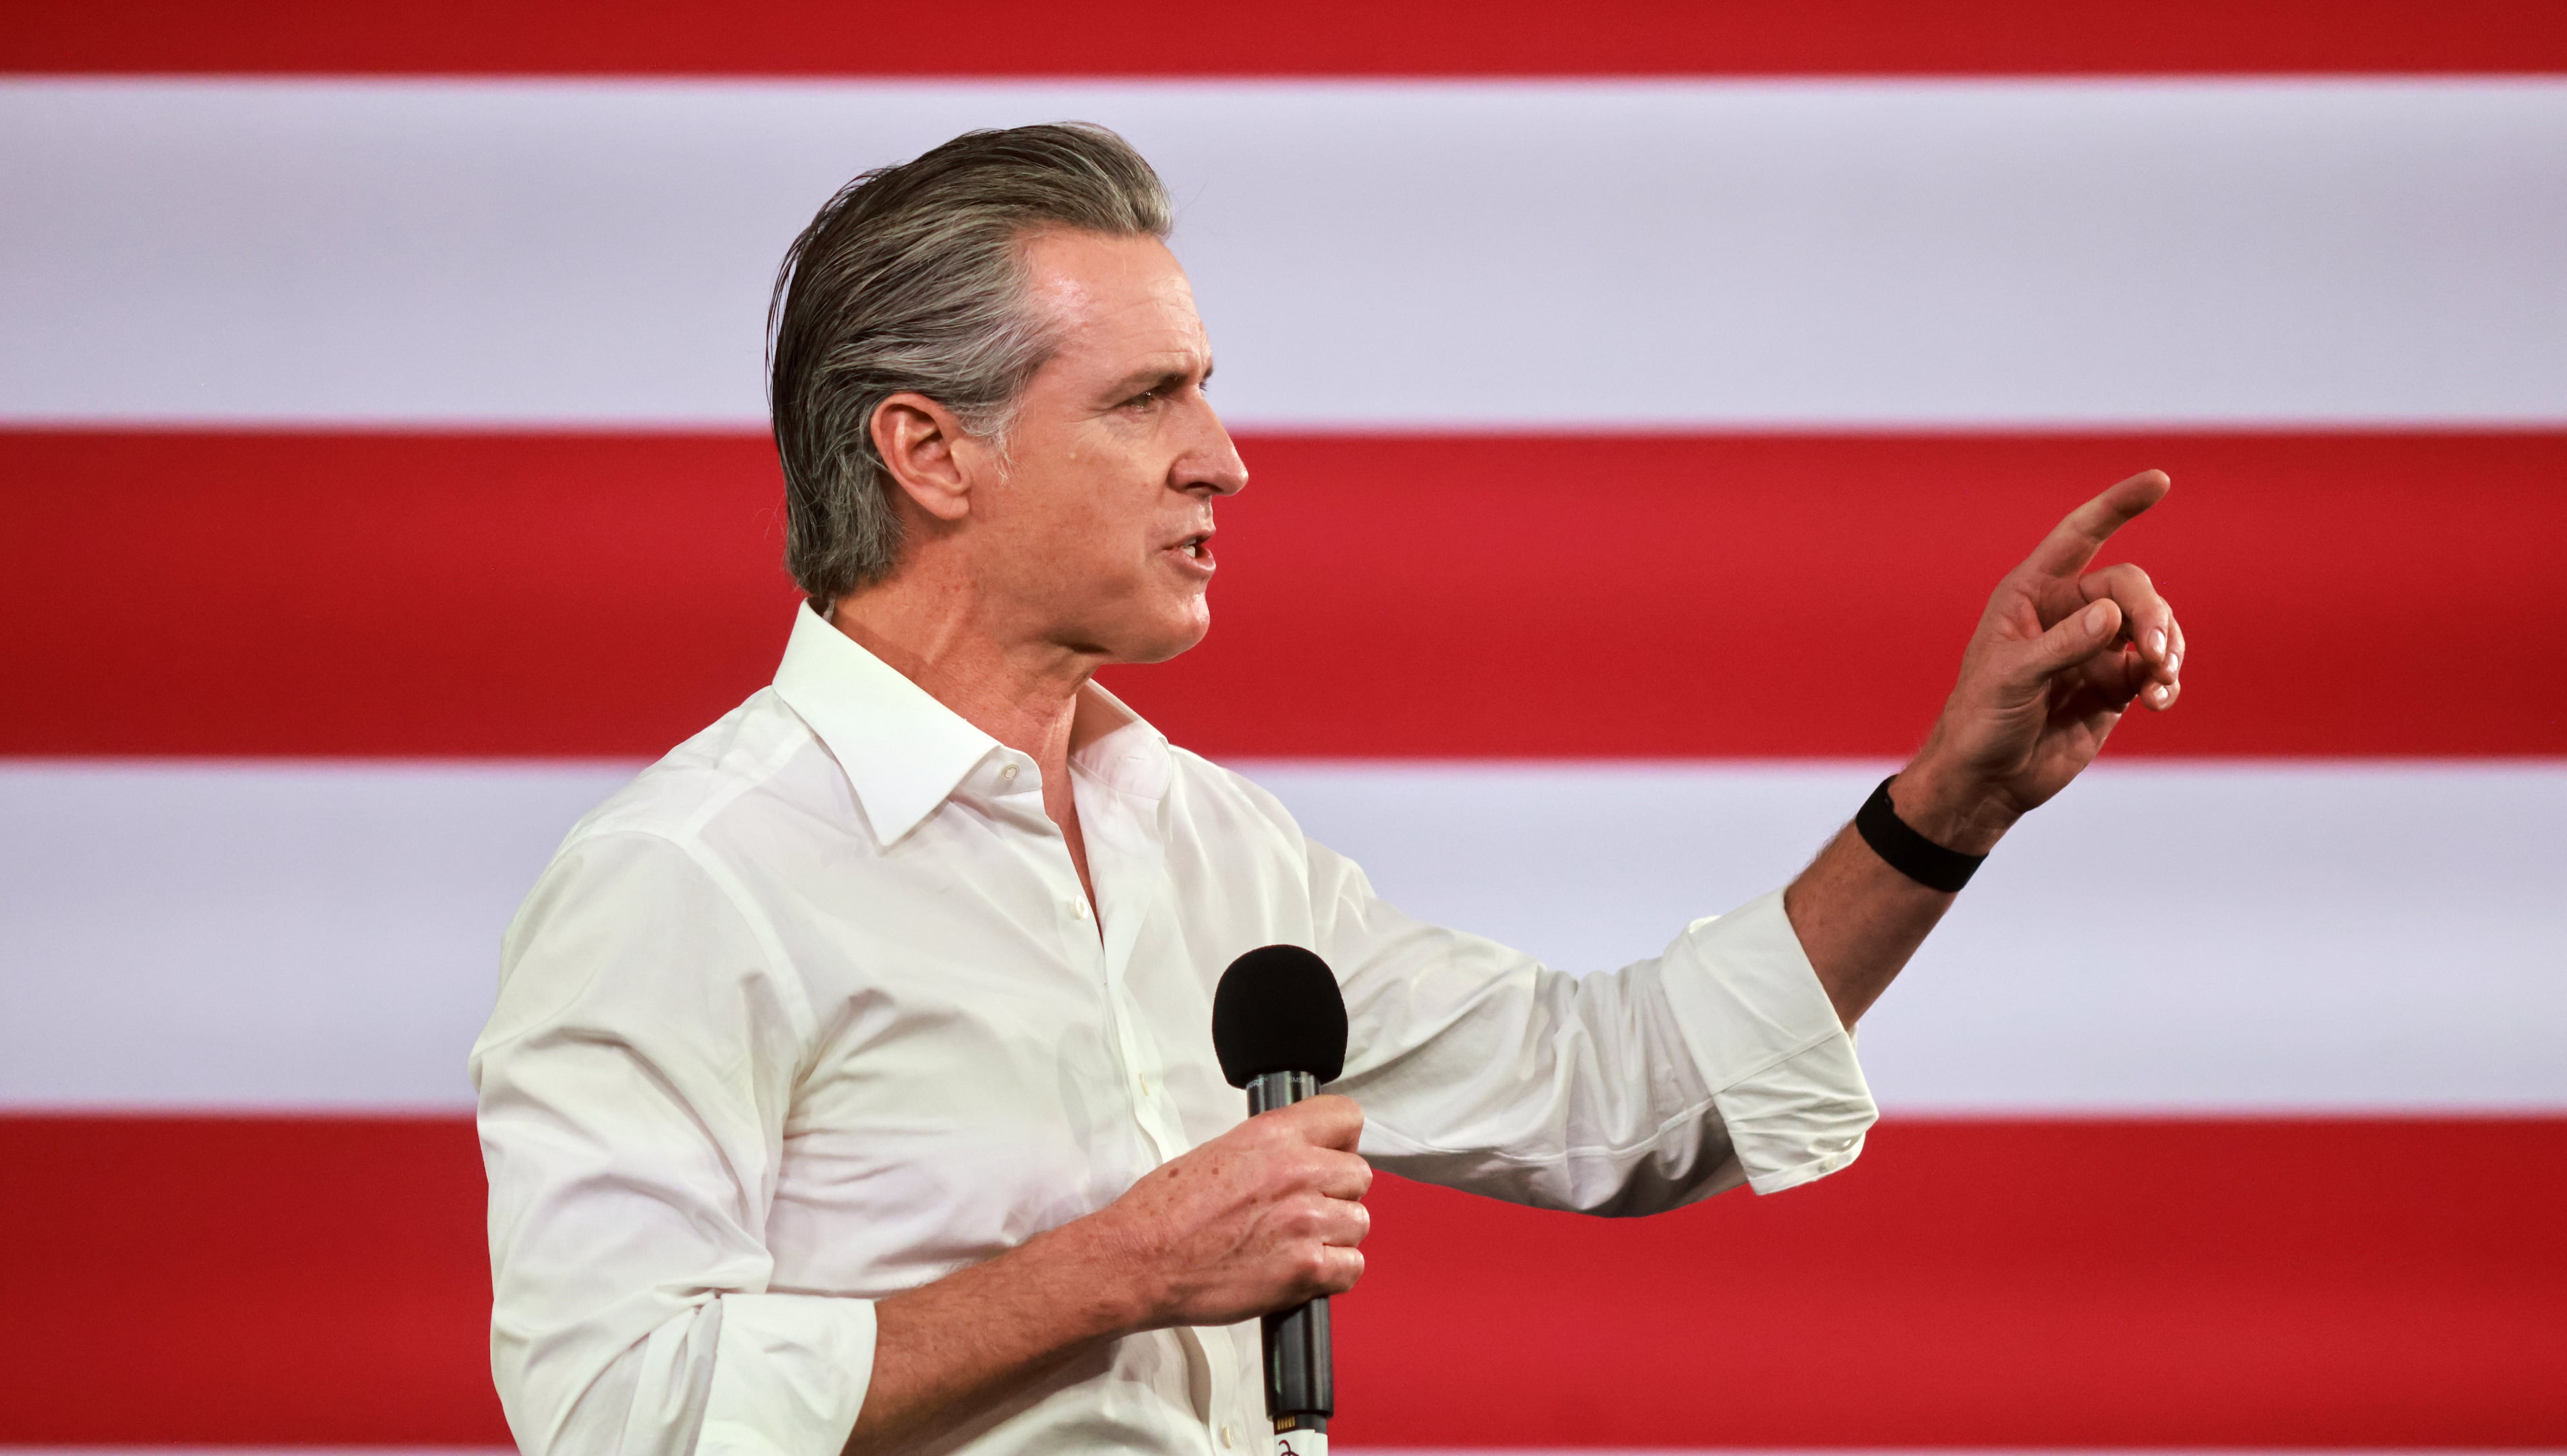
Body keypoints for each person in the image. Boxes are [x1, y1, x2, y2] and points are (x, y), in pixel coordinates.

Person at [471, 123, 2185, 1456]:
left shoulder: (1209, 844)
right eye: (1149, 397)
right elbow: (619, 1409)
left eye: (1204, 386)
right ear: (930, 453)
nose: (1225, 454)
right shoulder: (688, 877)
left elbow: (1624, 1098)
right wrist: (1123, 1271)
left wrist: (1948, 808)